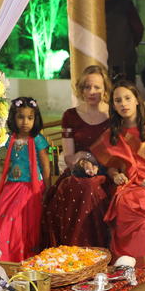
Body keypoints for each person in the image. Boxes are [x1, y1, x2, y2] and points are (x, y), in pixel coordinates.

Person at [90, 80, 145, 269]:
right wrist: (115, 175)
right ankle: (126, 263)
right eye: (118, 100)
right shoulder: (113, 132)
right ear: (113, 105)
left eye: (127, 98)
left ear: (137, 100)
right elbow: (112, 165)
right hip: (130, 182)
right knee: (123, 203)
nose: (123, 104)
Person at [42, 65, 112, 249]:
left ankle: (96, 250)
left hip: (107, 171)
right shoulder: (70, 115)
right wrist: (82, 160)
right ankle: (74, 249)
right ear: (80, 89)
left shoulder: (113, 115)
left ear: (105, 88)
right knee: (80, 185)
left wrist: (97, 163)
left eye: (97, 87)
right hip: (76, 171)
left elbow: (118, 153)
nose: (91, 91)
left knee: (91, 187)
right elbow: (69, 157)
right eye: (87, 87)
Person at [0, 97, 50, 262]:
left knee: (21, 221)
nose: (25, 122)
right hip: (11, 186)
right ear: (13, 118)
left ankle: (22, 256)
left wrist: (47, 189)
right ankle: (4, 257)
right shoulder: (10, 138)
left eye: (30, 118)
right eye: (20, 117)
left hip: (31, 188)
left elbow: (46, 166)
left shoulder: (38, 140)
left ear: (35, 119)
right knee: (2, 216)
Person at [105, 0, 144, 82]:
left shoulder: (95, 7)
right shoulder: (126, 6)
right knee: (127, 90)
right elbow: (139, 29)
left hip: (104, 59)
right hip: (125, 58)